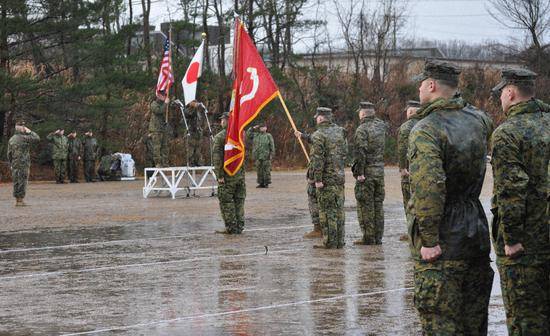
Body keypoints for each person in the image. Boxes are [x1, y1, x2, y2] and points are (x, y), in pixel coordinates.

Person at [408, 60, 494, 335]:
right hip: (475, 229)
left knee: (440, 322)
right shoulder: (480, 120)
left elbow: (429, 186)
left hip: (445, 235)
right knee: (474, 322)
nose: (420, 88)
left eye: (421, 83)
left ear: (431, 85)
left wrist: (429, 239)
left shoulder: (426, 128)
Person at [490, 68, 550, 335]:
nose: (501, 98)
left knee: (525, 318)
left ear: (511, 92)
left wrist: (511, 238)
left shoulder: (507, 133)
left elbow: (512, 189)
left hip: (528, 240)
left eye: (502, 92)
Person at [308, 107, 347, 249]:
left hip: (326, 179)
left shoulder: (319, 135)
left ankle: (330, 242)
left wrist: (317, 179)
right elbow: (345, 152)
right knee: (339, 210)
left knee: (326, 211)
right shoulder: (340, 132)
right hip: (339, 176)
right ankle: (340, 241)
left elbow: (317, 159)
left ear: (320, 118)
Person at [352, 101, 387, 245]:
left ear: (362, 114)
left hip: (367, 173)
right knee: (378, 205)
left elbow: (361, 152)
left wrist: (359, 172)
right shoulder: (381, 126)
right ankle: (378, 237)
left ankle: (368, 237)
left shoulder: (362, 129)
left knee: (365, 206)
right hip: (379, 172)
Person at [213, 112, 246, 234]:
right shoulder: (241, 134)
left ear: (227, 121)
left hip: (227, 175)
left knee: (226, 201)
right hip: (239, 174)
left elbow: (217, 158)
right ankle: (239, 225)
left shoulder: (220, 137)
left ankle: (231, 227)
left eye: (223, 120)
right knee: (239, 201)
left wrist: (219, 175)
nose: (221, 122)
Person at [7, 121, 40, 206]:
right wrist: (30, 132)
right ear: (21, 128)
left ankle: (17, 200)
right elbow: (37, 138)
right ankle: (20, 200)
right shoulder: (24, 137)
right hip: (23, 163)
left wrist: (11, 163)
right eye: (23, 126)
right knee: (23, 181)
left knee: (16, 181)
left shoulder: (12, 139)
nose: (24, 127)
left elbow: (9, 153)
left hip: (15, 163)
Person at [294, 130, 320, 238]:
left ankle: (318, 229)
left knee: (314, 200)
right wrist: (302, 135)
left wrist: (315, 178)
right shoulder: (337, 134)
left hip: (318, 176)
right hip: (332, 176)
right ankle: (328, 229)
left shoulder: (320, 136)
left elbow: (318, 159)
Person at [250, 123, 275, 188]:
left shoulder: (268, 135)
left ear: (266, 128)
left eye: (264, 127)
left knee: (266, 170)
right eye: (261, 127)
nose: (262, 128)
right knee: (259, 170)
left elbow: (272, 145)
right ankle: (261, 183)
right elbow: (248, 134)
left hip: (266, 155)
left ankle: (266, 183)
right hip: (258, 155)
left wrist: (272, 154)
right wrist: (253, 128)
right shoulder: (256, 135)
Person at [149, 91, 170, 167]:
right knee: (157, 147)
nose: (164, 97)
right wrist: (165, 103)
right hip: (156, 129)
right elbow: (159, 111)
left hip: (163, 129)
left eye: (165, 95)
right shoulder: (154, 104)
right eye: (163, 95)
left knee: (165, 146)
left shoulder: (163, 105)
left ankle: (165, 162)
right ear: (158, 96)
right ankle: (158, 163)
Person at [183, 100, 206, 166]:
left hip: (198, 132)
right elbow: (190, 115)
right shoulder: (187, 110)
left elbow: (200, 120)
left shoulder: (198, 111)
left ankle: (198, 161)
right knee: (190, 149)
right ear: (190, 103)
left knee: (198, 149)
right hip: (191, 132)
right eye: (194, 102)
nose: (195, 103)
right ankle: (191, 162)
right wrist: (195, 108)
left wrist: (200, 106)